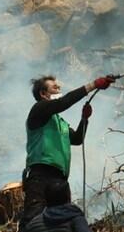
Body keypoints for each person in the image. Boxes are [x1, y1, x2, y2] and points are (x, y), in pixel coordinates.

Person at [22, 73, 115, 222]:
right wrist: (93, 85)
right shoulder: (38, 110)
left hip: (60, 178)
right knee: (33, 219)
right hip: (40, 175)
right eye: (54, 87)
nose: (59, 88)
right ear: (43, 94)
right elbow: (64, 102)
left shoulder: (61, 123)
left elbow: (77, 139)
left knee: (63, 222)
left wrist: (84, 119)